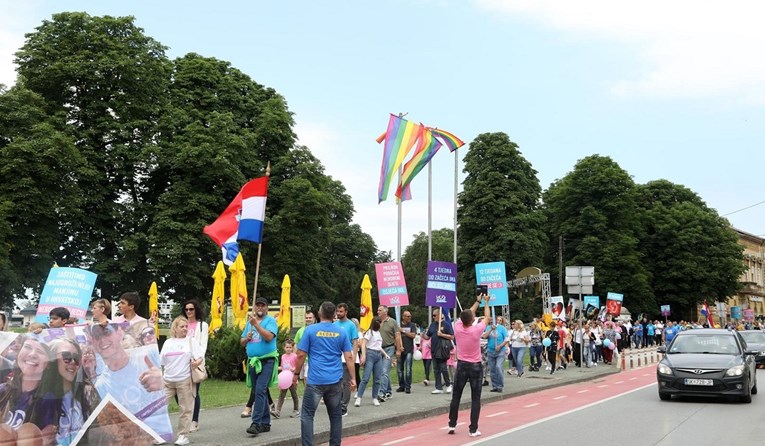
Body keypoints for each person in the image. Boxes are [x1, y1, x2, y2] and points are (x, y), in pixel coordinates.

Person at [88, 322, 173, 443]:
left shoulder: (149, 355)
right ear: (93, 342)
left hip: (161, 438)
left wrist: (163, 380)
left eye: (106, 333)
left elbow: (182, 385)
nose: (102, 340)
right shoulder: (101, 386)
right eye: (96, 336)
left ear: (119, 333)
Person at [293, 301, 355, 446]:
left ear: (319, 313)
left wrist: (296, 374)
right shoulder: (341, 332)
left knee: (307, 415)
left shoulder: (310, 330)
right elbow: (349, 356)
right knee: (335, 416)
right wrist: (353, 378)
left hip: (315, 380)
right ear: (334, 315)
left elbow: (301, 354)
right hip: (334, 380)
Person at [0, 335, 60, 444]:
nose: (32, 354)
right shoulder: (3, 390)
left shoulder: (48, 399)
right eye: (27, 347)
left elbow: (47, 438)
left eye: (40, 351)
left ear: (48, 363)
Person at [447, 291, 490, 437]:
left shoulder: (457, 327)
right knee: (475, 398)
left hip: (462, 365)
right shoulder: (476, 330)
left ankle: (452, 424)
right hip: (476, 366)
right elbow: (487, 318)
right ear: (472, 320)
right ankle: (473, 429)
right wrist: (486, 302)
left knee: (456, 396)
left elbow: (468, 313)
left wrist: (476, 302)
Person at [160, 316, 203, 446]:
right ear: (175, 328)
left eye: (186, 326)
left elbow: (200, 357)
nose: (185, 329)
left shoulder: (191, 341)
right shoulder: (168, 343)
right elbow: (161, 360)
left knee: (185, 408)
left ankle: (183, 435)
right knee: (160, 407)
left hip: (184, 380)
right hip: (167, 380)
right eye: (182, 326)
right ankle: (162, 434)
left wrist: (196, 363)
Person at [50, 338, 101, 446]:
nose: (73, 362)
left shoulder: (88, 393)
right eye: (66, 357)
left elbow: (99, 431)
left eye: (77, 358)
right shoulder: (41, 395)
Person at [241, 297, 278, 437]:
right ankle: (265, 423)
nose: (260, 308)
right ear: (254, 307)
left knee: (260, 390)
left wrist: (256, 325)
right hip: (253, 361)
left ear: (267, 308)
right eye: (258, 306)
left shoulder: (270, 321)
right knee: (258, 391)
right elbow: (242, 342)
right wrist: (247, 338)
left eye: (263, 306)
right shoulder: (249, 323)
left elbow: (269, 337)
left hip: (267, 360)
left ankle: (255, 423)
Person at [181, 299, 208, 432]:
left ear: (196, 310)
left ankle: (194, 420)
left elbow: (203, 345)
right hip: (181, 363)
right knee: (179, 391)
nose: (189, 312)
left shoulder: (202, 325)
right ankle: (186, 416)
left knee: (194, 392)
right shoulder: (182, 324)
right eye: (186, 309)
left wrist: (198, 360)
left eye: (191, 309)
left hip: (195, 362)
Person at [333, 303, 358, 416]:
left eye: (341, 311)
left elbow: (355, 341)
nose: (339, 314)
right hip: (335, 357)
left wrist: (354, 356)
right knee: (337, 382)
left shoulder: (351, 325)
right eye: (338, 312)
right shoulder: (334, 324)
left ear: (346, 312)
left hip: (346, 356)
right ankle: (336, 404)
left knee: (346, 382)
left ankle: (344, 406)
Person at [354, 318, 386, 407]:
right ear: (377, 323)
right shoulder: (369, 332)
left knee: (377, 378)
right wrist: (363, 355)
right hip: (370, 354)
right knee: (366, 377)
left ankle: (374, 397)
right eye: (381, 323)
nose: (382, 325)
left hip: (378, 355)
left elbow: (378, 346)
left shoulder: (379, 333)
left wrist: (385, 354)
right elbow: (364, 344)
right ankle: (359, 397)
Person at [422, 308, 454, 394]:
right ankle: (438, 387)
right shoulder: (432, 325)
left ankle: (448, 384)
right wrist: (423, 335)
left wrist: (442, 334)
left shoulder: (446, 324)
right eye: (433, 315)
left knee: (443, 368)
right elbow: (428, 337)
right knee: (436, 369)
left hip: (443, 349)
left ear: (440, 315)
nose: (433, 317)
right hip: (434, 349)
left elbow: (452, 336)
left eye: (434, 315)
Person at [375, 306, 402, 401]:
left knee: (384, 371)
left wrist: (398, 350)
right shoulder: (376, 321)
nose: (377, 311)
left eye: (380, 310)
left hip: (389, 348)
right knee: (383, 371)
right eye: (378, 310)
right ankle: (389, 391)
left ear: (385, 312)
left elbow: (397, 336)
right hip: (378, 349)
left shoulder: (392, 322)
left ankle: (382, 393)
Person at [482, 315, 508, 392]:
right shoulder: (488, 327)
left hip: (500, 351)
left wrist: (500, 346)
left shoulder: (502, 328)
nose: (498, 321)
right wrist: (490, 330)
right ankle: (495, 386)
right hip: (490, 351)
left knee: (498, 367)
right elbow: (484, 336)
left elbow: (506, 339)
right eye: (497, 320)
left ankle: (500, 385)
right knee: (492, 369)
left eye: (500, 320)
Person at [291, 311, 315, 394]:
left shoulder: (316, 329)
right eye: (307, 318)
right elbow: (296, 345)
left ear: (313, 319)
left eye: (310, 318)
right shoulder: (300, 331)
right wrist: (293, 357)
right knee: (303, 379)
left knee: (306, 377)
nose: (308, 319)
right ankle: (308, 394)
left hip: (312, 359)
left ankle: (310, 394)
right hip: (302, 359)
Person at [275, 339, 299, 418]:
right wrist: (275, 368)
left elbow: (298, 366)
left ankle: (296, 410)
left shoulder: (295, 356)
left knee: (294, 395)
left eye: (290, 347)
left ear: (292, 348)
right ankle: (277, 411)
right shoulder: (283, 356)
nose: (288, 349)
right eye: (287, 347)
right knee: (281, 395)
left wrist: (293, 369)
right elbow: (282, 367)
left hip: (292, 379)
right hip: (284, 380)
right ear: (284, 348)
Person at [396, 311, 417, 394]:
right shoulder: (398, 325)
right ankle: (401, 386)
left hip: (409, 350)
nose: (409, 318)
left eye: (410, 316)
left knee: (408, 369)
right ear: (403, 317)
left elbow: (413, 335)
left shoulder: (412, 325)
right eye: (407, 316)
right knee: (399, 369)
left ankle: (408, 387)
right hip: (400, 349)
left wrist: (403, 331)